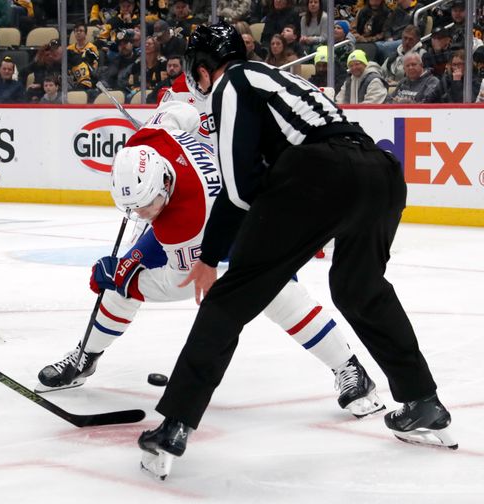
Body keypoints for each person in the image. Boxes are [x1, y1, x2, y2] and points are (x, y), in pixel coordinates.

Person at [138, 22, 456, 481]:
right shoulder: (280, 77)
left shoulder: (233, 81)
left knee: (231, 298)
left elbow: (239, 189)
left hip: (320, 173)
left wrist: (210, 258)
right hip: (381, 172)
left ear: (204, 69)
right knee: (359, 288)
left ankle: (174, 425)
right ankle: (423, 400)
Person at [38, 99, 384, 417]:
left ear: (165, 184)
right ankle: (86, 357)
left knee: (279, 296)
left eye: (147, 206)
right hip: (214, 203)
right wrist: (203, 120)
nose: (142, 215)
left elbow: (184, 283)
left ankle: (351, 369)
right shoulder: (151, 139)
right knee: (124, 278)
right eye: (134, 209)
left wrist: (125, 278)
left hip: (248, 221)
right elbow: (178, 109)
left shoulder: (183, 221)